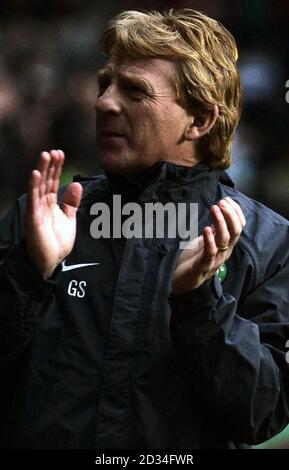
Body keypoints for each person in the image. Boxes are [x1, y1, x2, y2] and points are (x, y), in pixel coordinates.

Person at [1, 8, 289, 449]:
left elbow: (261, 414)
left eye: (134, 91)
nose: (103, 103)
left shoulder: (269, 244)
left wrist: (199, 302)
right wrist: (29, 274)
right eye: (104, 85)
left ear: (200, 121)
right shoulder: (42, 219)